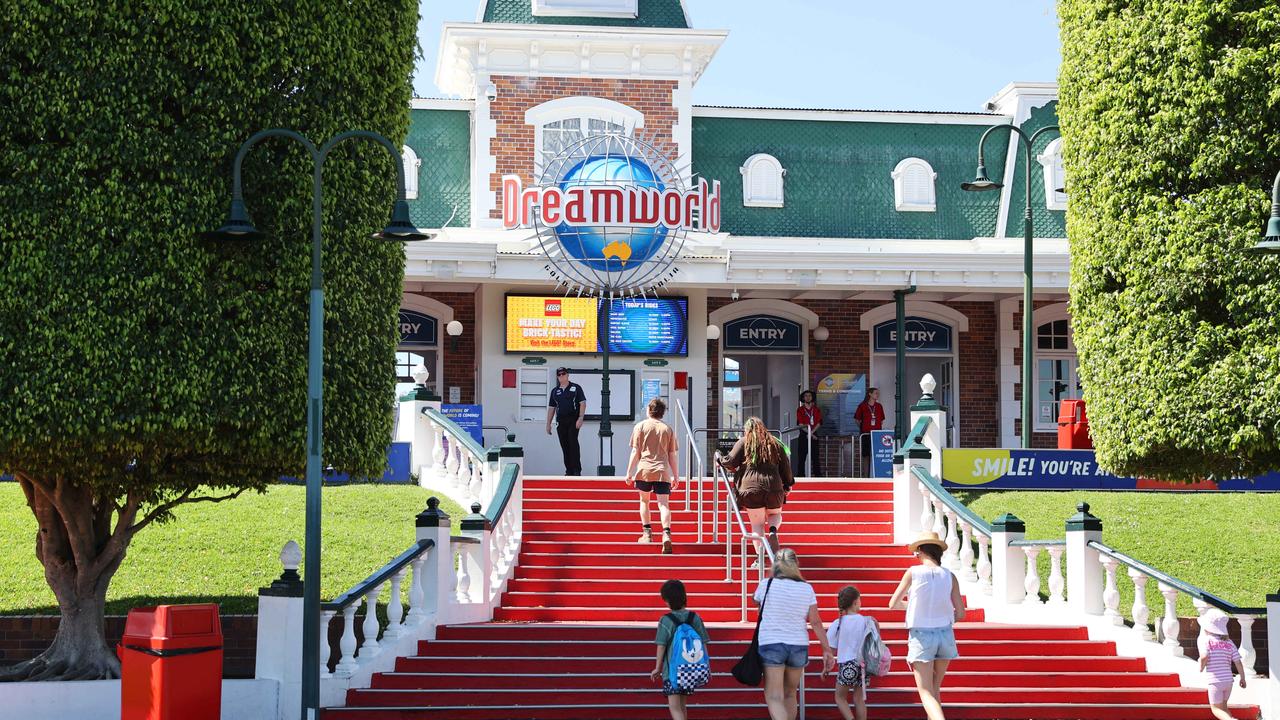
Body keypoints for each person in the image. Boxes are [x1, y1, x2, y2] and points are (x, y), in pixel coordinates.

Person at [888, 530, 965, 720]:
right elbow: (961, 612)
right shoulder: (950, 576)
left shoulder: (913, 573)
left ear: (921, 551)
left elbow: (893, 604)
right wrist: (943, 617)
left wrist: (913, 606)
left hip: (922, 635)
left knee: (925, 691)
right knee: (934, 688)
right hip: (945, 634)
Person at [753, 548, 834, 720]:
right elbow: (815, 622)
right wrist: (826, 649)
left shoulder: (766, 584)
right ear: (796, 565)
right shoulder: (806, 588)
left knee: (774, 696)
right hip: (798, 644)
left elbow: (758, 605)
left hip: (772, 642)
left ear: (775, 565)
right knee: (790, 693)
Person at [720, 417, 793, 565]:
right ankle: (772, 530)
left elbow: (730, 461)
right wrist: (788, 484)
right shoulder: (775, 442)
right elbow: (786, 466)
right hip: (773, 486)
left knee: (757, 525)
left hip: (750, 488)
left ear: (747, 429)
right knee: (775, 514)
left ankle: (760, 559)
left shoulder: (744, 441)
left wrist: (719, 459)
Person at [625, 398, 681, 553]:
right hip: (662, 471)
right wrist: (676, 476)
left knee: (644, 501)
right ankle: (666, 534)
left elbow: (635, 452)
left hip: (644, 470)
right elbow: (672, 455)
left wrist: (629, 472)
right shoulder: (667, 429)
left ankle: (647, 533)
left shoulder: (640, 427)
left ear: (649, 410)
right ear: (662, 412)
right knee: (663, 504)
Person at [651, 579, 710, 720]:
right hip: (689, 670)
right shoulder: (694, 617)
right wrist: (706, 665)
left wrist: (657, 668)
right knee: (682, 706)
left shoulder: (665, 620)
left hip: (672, 672)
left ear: (666, 600)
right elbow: (703, 643)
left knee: (675, 708)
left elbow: (661, 645)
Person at [822, 586, 875, 720]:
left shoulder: (838, 623)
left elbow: (831, 649)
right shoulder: (866, 621)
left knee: (840, 697)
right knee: (859, 699)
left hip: (847, 665)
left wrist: (826, 668)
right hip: (863, 665)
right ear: (856, 602)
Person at [1198, 609, 1247, 720]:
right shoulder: (1229, 642)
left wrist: (1201, 667)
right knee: (1224, 708)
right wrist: (1242, 678)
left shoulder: (1207, 641)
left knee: (1216, 709)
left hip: (1215, 681)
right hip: (1228, 681)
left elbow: (1204, 656)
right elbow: (1238, 661)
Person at [546, 367, 586, 475]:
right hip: (561, 421)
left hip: (573, 419)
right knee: (564, 445)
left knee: (573, 443)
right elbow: (551, 408)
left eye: (563, 374)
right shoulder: (555, 391)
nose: (561, 376)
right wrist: (548, 424)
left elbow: (582, 403)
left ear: (567, 375)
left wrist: (580, 418)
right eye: (559, 374)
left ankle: (576, 470)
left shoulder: (576, 388)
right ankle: (569, 470)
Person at [793, 390, 822, 477]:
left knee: (815, 458)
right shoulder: (800, 410)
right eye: (806, 396)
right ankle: (801, 477)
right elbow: (800, 424)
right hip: (803, 435)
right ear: (803, 398)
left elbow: (819, 422)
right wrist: (810, 434)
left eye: (809, 396)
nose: (808, 397)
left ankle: (818, 477)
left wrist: (812, 433)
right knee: (801, 458)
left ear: (812, 398)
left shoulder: (816, 410)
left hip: (813, 435)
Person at [853, 388, 885, 469]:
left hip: (877, 435)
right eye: (876, 393)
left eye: (878, 393)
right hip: (866, 434)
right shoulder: (862, 406)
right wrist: (863, 427)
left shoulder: (879, 406)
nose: (877, 395)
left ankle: (875, 473)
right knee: (866, 455)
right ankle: (866, 475)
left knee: (876, 454)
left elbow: (881, 420)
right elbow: (857, 419)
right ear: (870, 394)